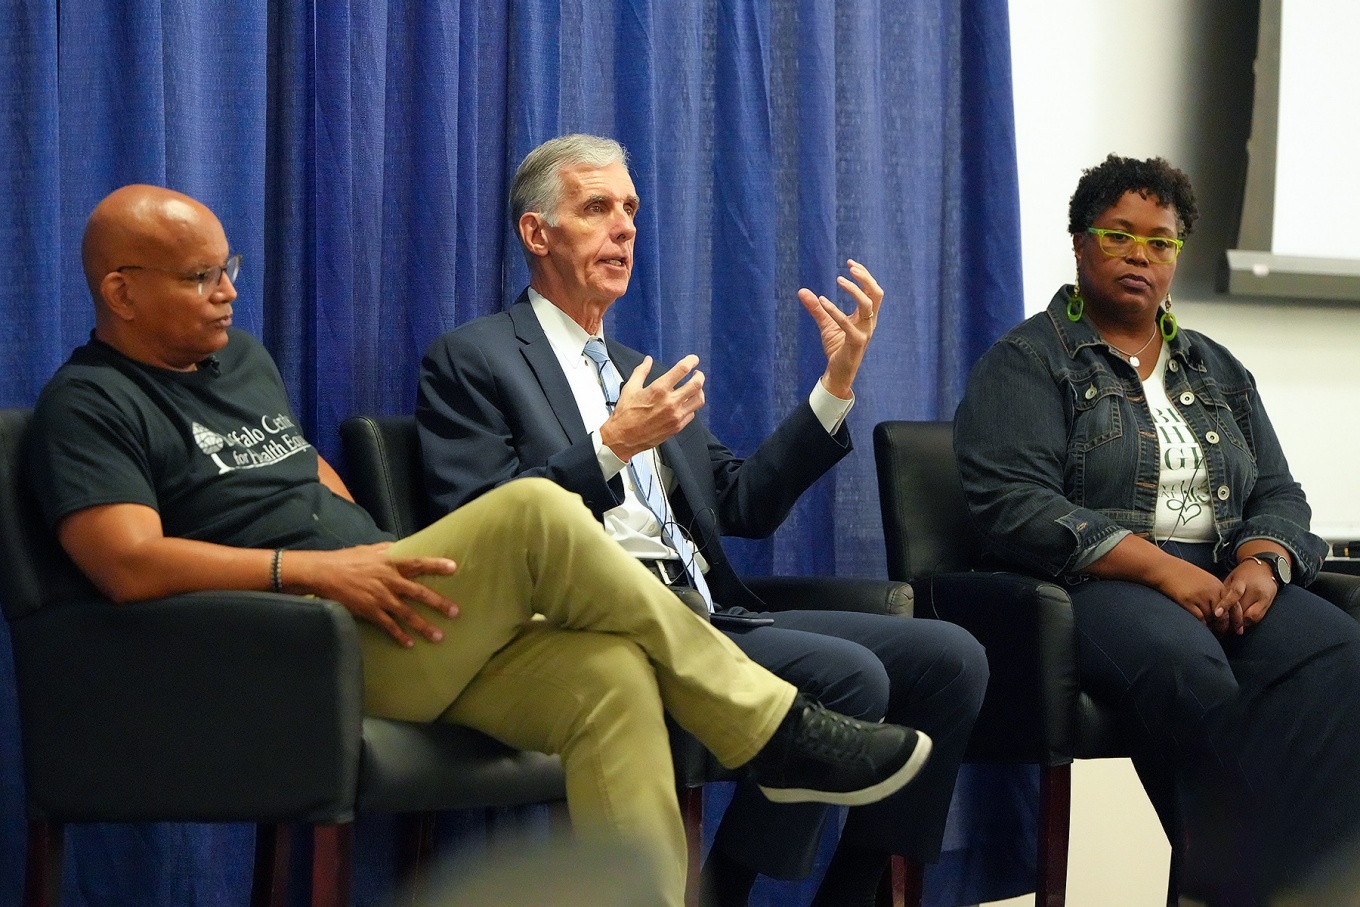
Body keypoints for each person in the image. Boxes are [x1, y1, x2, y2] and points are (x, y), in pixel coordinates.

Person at [27, 184, 936, 907]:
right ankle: (770, 728)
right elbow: (126, 561)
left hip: (389, 609)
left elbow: (306, 473)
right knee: (538, 508)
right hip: (294, 649)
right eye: (199, 278)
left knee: (610, 677)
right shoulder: (91, 405)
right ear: (122, 290)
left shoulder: (240, 362)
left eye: (230, 269)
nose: (227, 291)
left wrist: (379, 548)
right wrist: (319, 570)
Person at [415, 134, 987, 907]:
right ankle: (726, 892)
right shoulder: (475, 359)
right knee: (852, 676)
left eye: (631, 210)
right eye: (597, 208)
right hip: (599, 624)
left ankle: (853, 898)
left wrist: (835, 386)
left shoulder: (633, 366)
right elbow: (483, 521)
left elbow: (743, 500)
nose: (624, 228)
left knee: (952, 658)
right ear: (536, 233)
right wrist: (611, 444)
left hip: (712, 609)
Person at [953, 154, 1360, 903]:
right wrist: (1162, 569)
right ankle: (1244, 884)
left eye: (1161, 240)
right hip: (1095, 581)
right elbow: (1014, 505)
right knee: (1191, 671)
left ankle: (1324, 879)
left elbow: (1278, 490)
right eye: (1119, 235)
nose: (1141, 253)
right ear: (1080, 244)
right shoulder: (1027, 360)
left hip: (1227, 572)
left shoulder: (1216, 368)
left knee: (1339, 654)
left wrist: (1263, 564)